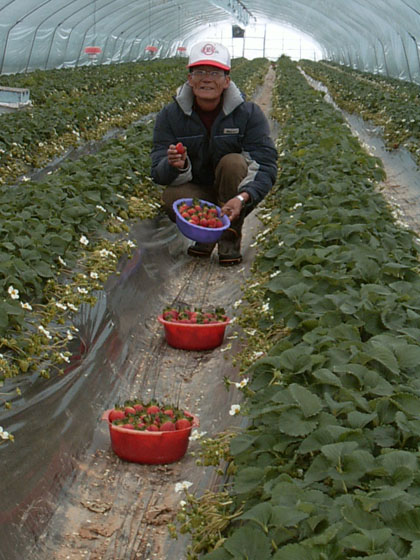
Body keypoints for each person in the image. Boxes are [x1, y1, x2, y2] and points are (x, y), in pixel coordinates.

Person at [151, 41, 278, 266]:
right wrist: (174, 165)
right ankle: (205, 235)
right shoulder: (170, 115)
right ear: (190, 79)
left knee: (233, 162)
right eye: (199, 72)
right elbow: (157, 171)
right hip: (198, 189)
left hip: (233, 190)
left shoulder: (248, 113)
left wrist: (242, 198)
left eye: (214, 73)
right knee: (171, 196)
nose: (206, 79)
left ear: (227, 81)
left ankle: (229, 238)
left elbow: (266, 163)